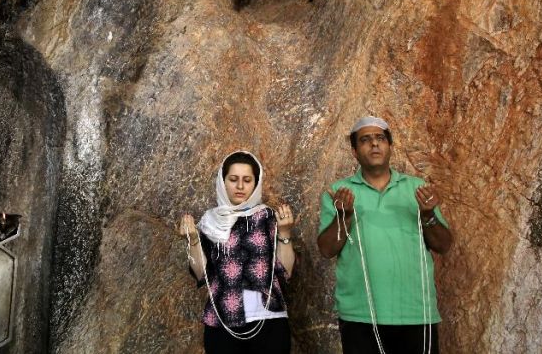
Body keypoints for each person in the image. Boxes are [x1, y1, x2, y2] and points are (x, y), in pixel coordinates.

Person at [317, 116, 453, 354]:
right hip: (360, 314)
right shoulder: (338, 193)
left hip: (416, 312)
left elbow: (443, 245)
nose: (375, 144)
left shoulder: (417, 189)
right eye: (365, 140)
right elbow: (327, 250)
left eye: (380, 138)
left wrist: (428, 214)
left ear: (390, 146)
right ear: (355, 151)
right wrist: (344, 216)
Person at [179, 151, 296, 354]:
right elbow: (201, 276)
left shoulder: (268, 217)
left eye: (247, 180)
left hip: (269, 322)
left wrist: (285, 232)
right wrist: (194, 241)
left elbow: (286, 272)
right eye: (233, 179)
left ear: (255, 183)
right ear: (223, 182)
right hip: (222, 323)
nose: (240, 186)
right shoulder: (209, 223)